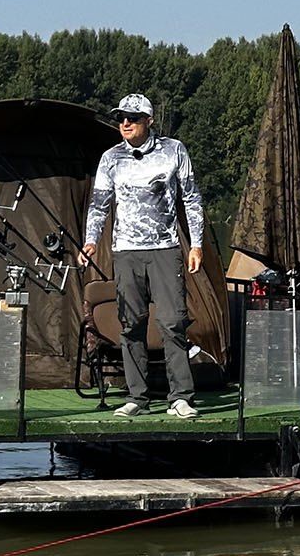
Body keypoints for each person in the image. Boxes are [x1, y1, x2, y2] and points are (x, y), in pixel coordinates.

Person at [80, 93, 207, 419]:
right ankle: (137, 397)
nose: (125, 123)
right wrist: (91, 240)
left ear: (148, 121)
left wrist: (196, 244)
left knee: (172, 322)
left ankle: (180, 397)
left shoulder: (173, 150)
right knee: (130, 324)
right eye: (121, 117)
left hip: (165, 248)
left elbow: (191, 198)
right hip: (125, 251)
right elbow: (99, 202)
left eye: (132, 118)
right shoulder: (111, 158)